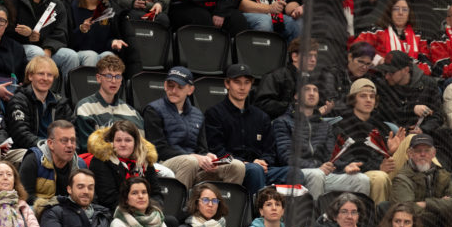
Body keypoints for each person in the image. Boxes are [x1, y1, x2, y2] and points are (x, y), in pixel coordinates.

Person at [143, 66, 246, 188]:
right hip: (164, 162)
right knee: (189, 162)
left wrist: (207, 157)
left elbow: (202, 149)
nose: (174, 90)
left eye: (180, 87)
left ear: (190, 90)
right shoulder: (153, 110)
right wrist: (193, 157)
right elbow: (159, 149)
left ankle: (224, 200)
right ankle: (178, 199)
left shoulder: (197, 114)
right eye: (170, 85)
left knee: (237, 165)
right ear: (165, 85)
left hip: (194, 162)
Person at [273, 79, 370, 200]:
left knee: (361, 180)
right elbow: (286, 157)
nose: (312, 93)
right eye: (307, 90)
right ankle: (312, 212)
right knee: (317, 174)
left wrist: (345, 167)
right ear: (296, 96)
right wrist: (317, 167)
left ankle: (354, 212)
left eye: (315, 90)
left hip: (322, 172)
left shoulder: (325, 125)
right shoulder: (283, 122)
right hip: (297, 173)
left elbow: (330, 155)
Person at [205, 63, 289, 196]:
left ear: (251, 85)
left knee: (295, 173)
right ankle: (257, 208)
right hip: (230, 166)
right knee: (255, 170)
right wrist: (244, 163)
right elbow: (217, 152)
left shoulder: (261, 117)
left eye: (247, 82)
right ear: (227, 84)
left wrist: (264, 162)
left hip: (260, 168)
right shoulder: (214, 114)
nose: (242, 87)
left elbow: (270, 150)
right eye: (237, 82)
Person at [4, 0, 78, 78]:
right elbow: (6, 29)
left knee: (71, 56)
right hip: (20, 48)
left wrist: (48, 48)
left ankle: (67, 90)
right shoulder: (12, 0)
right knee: (37, 52)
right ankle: (32, 88)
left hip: (48, 49)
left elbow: (61, 32)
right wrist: (27, 35)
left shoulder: (56, 4)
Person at [332, 79, 401, 204]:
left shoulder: (382, 126)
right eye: (363, 96)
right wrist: (379, 166)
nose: (368, 100)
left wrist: (390, 152)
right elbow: (349, 161)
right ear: (353, 100)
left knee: (413, 142)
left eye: (372, 97)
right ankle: (379, 215)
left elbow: (387, 159)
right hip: (359, 172)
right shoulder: (342, 125)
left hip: (384, 168)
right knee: (380, 177)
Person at [65, 0, 138, 75]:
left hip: (102, 53)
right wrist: (81, 29)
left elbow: (107, 40)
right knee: (90, 55)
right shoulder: (72, 6)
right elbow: (69, 41)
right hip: (80, 53)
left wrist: (113, 42)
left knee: (109, 56)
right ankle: (87, 85)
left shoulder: (109, 7)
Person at [391, 133, 452, 227]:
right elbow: (406, 212)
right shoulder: (402, 179)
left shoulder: (442, 174)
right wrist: (443, 206)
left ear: (433, 153)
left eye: (427, 150)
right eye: (418, 151)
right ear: (410, 154)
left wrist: (426, 204)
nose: (423, 154)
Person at [5, 55, 74, 151]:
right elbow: (21, 135)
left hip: (57, 150)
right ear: (30, 76)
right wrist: (49, 146)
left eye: (49, 75)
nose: (45, 78)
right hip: (27, 151)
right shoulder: (19, 100)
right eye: (41, 74)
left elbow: (73, 132)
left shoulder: (61, 103)